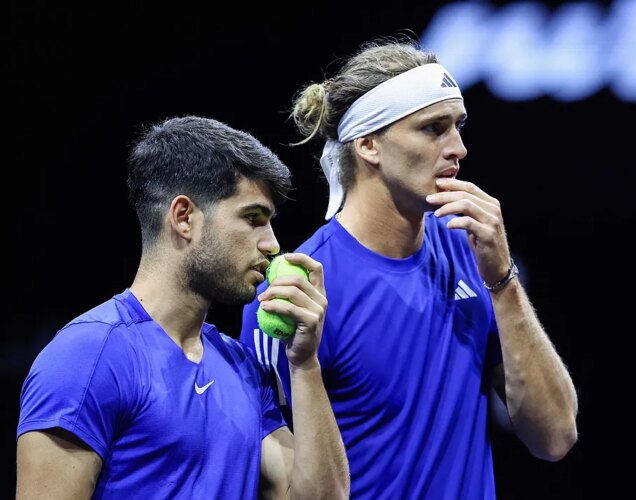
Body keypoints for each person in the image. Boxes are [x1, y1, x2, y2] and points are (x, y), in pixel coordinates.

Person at [240, 39, 578, 499]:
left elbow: (555, 436)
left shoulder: (472, 252)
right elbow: (275, 487)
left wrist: (503, 281)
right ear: (368, 144)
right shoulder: (297, 291)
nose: (458, 148)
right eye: (433, 128)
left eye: (457, 126)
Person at [17, 116, 350, 499]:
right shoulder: (86, 356)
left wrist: (304, 364)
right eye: (253, 219)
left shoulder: (241, 367)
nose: (272, 244)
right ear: (184, 217)